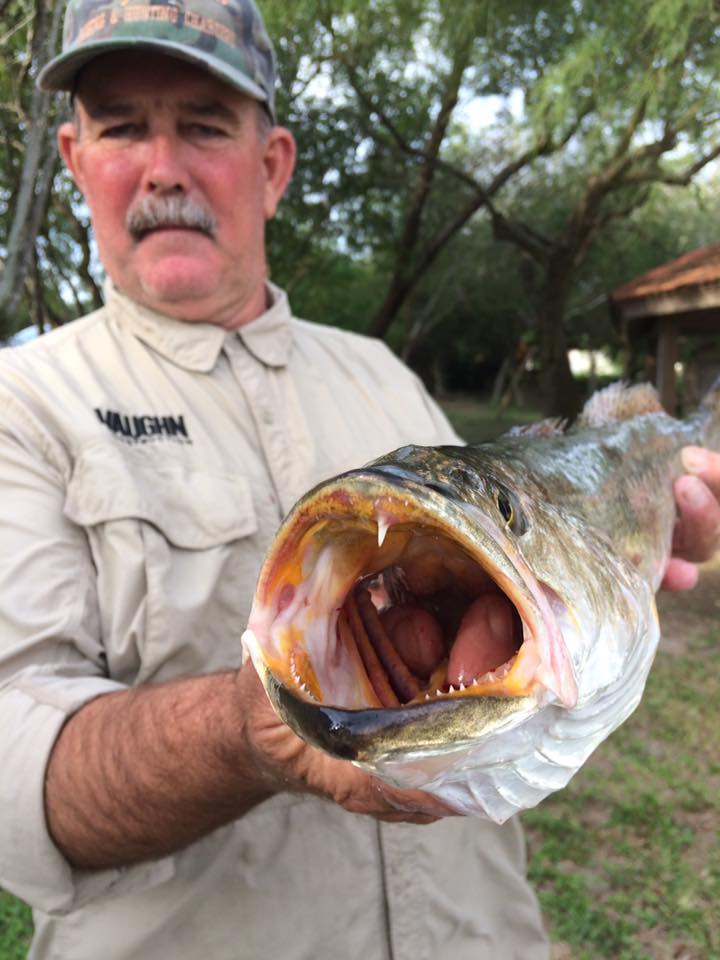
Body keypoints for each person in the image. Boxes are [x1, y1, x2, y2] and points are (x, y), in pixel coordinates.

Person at [0, 2, 718, 957]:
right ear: (75, 155)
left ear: (273, 165)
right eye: (122, 125)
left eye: (203, 125)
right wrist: (252, 731)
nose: (161, 166)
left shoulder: (383, 372)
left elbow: (535, 609)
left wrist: (649, 541)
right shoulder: (21, 406)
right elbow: (16, 778)